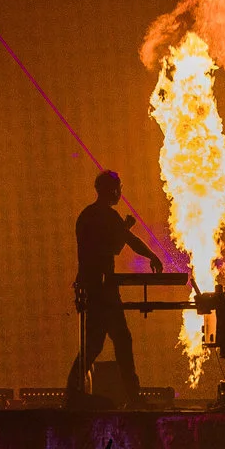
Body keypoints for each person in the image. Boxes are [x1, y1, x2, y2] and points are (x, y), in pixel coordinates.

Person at [66, 169, 162, 405]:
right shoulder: (105, 216)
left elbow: (119, 243)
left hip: (92, 285)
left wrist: (141, 246)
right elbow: (119, 246)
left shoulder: (87, 215)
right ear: (111, 190)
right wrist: (150, 254)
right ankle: (132, 395)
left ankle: (73, 392)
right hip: (102, 288)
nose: (120, 193)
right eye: (118, 188)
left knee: (96, 343)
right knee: (120, 340)